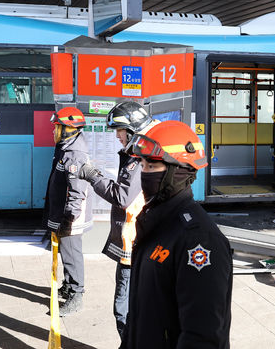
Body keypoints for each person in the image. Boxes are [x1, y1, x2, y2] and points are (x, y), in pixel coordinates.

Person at [121, 120, 232, 348]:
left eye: (152, 167)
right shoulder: (155, 222)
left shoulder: (199, 240)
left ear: (179, 171)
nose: (144, 174)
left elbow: (202, 337)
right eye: (142, 166)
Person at [76, 101, 156, 337]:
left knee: (124, 308)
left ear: (130, 129)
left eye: (119, 132)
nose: (117, 137)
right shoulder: (143, 151)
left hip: (134, 242)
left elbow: (122, 196)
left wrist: (93, 176)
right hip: (140, 239)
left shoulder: (137, 157)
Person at [45, 106, 94, 317]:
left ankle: (77, 294)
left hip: (71, 216)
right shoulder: (65, 147)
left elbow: (76, 192)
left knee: (72, 254)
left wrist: (69, 220)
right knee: (66, 253)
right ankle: (68, 285)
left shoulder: (74, 155)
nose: (53, 130)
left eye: (57, 126)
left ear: (68, 129)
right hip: (65, 213)